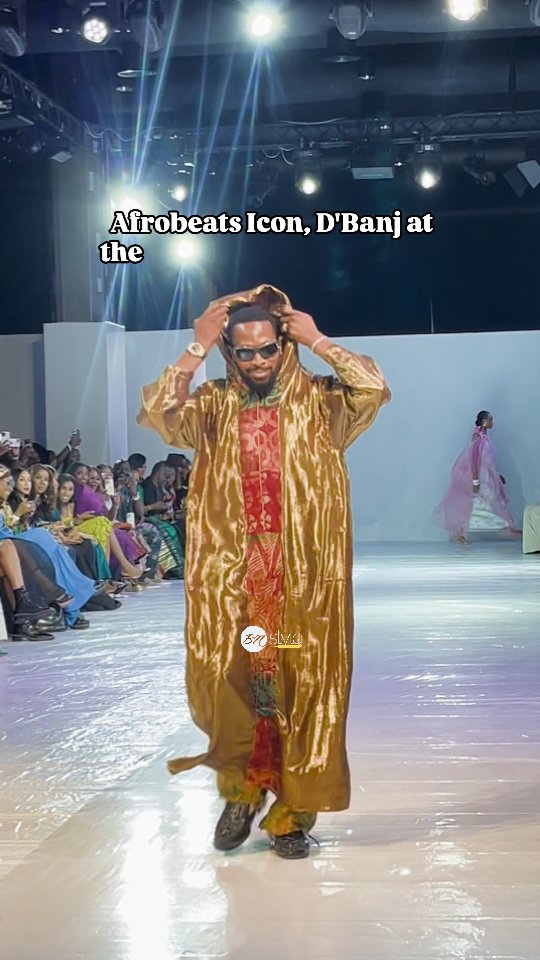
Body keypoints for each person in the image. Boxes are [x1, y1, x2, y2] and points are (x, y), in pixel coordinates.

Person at [138, 284, 390, 859]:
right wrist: (197, 347)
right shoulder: (212, 405)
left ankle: (292, 814)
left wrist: (319, 340)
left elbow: (373, 388)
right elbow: (159, 413)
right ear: (231, 350)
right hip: (234, 578)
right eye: (245, 351)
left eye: (267, 349)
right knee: (228, 680)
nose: (257, 361)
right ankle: (242, 791)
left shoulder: (321, 401)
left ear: (284, 343)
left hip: (301, 578)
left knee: (304, 683)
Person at [432, 410, 520, 545]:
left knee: (494, 501)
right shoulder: (477, 438)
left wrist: (497, 476)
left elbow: (489, 461)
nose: (492, 423)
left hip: (487, 477)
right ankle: (459, 533)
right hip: (480, 477)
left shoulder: (485, 438)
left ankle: (509, 528)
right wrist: (475, 480)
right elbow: (473, 459)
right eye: (490, 420)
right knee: (474, 503)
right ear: (484, 421)